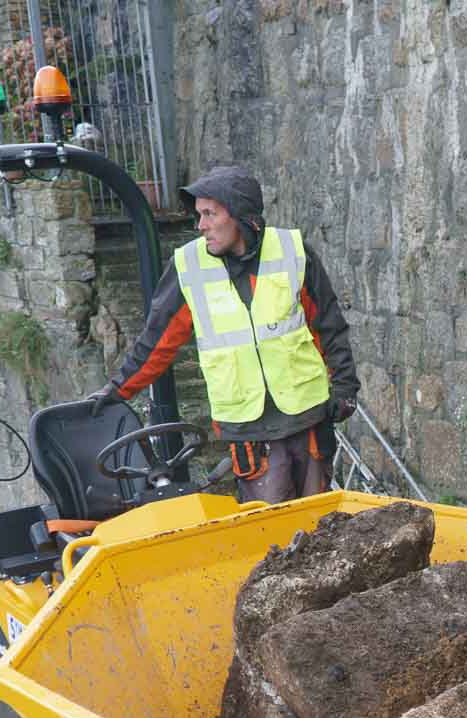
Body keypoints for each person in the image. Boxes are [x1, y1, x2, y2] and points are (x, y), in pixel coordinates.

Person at [85, 165, 358, 502]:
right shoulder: (188, 267)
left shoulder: (293, 251)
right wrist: (115, 391)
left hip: (309, 418)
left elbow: (328, 326)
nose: (201, 226)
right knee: (269, 532)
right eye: (199, 215)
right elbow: (156, 343)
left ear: (241, 216)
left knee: (321, 520)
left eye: (210, 214)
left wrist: (345, 386)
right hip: (249, 431)